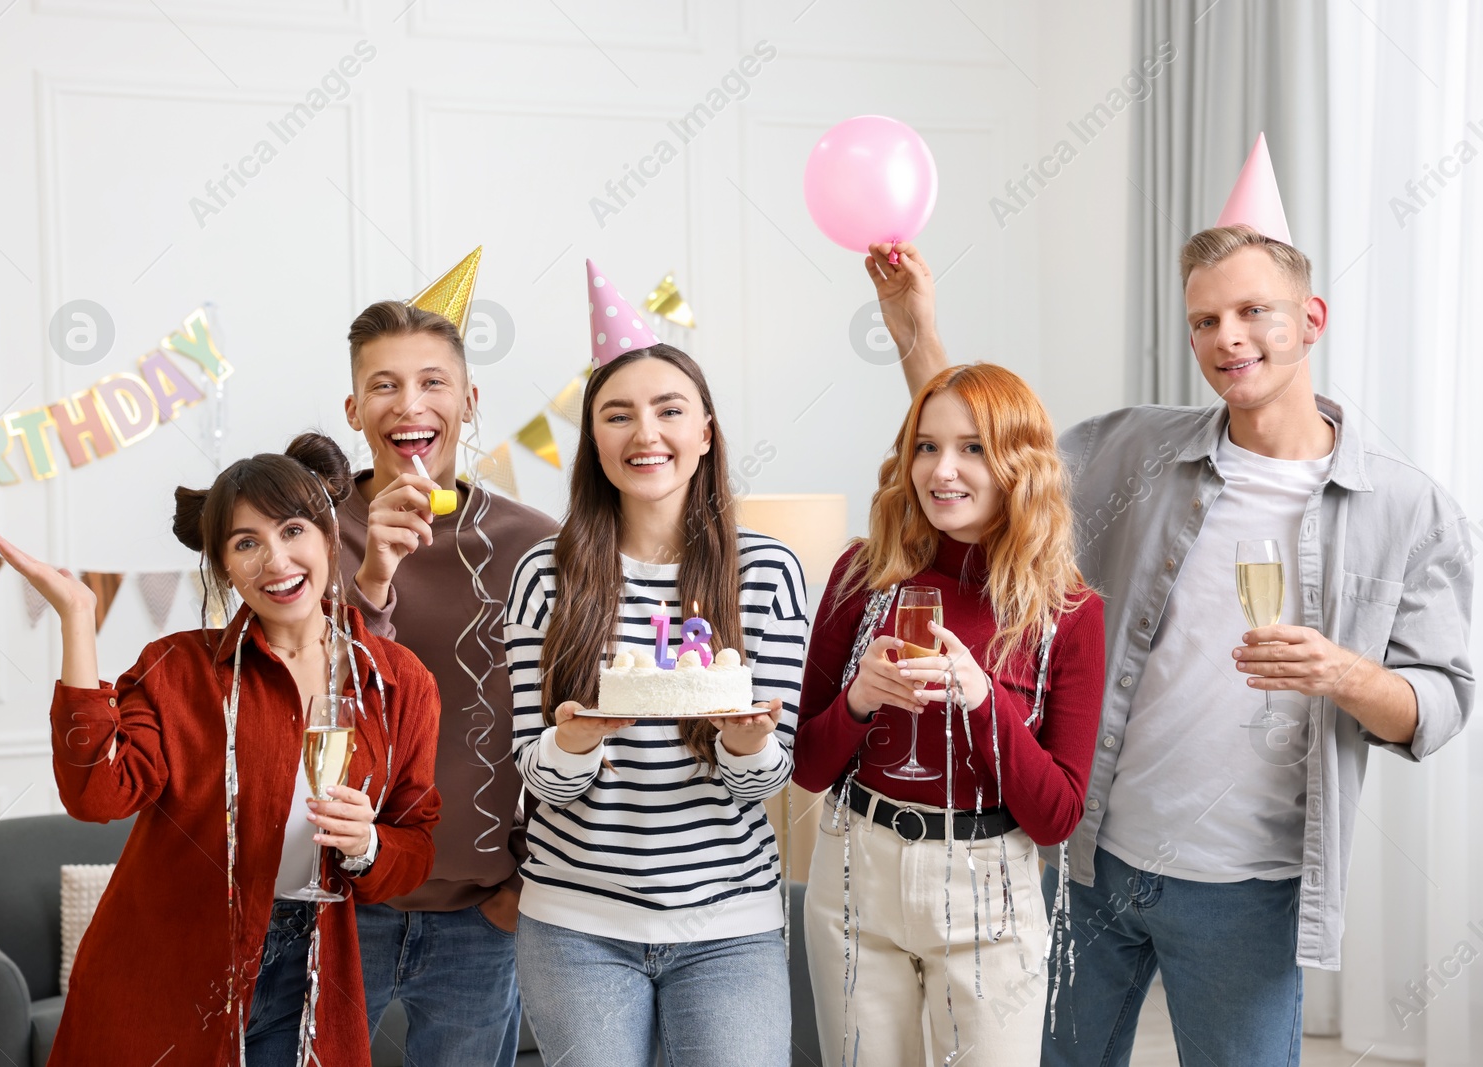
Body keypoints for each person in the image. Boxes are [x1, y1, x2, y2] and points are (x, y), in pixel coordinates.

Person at [869, 137, 1475, 1066]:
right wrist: (918, 333)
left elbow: (1440, 704)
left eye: (1252, 312)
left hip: (1250, 888)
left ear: (1310, 318)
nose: (1227, 337)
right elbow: (976, 464)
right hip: (1092, 861)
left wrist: (1345, 673)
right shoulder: (1131, 452)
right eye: (1204, 321)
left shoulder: (1406, 504)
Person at [0, 432, 442, 1066]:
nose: (275, 561)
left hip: (308, 966)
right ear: (223, 565)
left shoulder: (399, 683)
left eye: (292, 531)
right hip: (166, 964)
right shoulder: (177, 669)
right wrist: (78, 622)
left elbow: (414, 844)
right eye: (246, 543)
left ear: (330, 535)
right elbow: (95, 796)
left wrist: (367, 847)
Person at [503, 262, 808, 1067]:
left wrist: (747, 742)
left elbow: (775, 775)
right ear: (592, 438)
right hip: (576, 924)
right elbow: (533, 771)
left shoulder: (767, 571)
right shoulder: (544, 572)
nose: (646, 434)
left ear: (705, 430)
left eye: (669, 410)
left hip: (730, 926)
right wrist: (576, 741)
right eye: (617, 414)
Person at [794, 362, 1105, 1066]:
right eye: (926, 446)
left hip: (989, 889)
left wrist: (983, 699)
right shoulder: (858, 576)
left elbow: (1056, 814)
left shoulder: (1069, 613)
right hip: (854, 872)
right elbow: (808, 768)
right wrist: (857, 701)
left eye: (971, 447)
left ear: (1018, 463)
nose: (942, 470)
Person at [339, 262, 559, 1064]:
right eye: (384, 384)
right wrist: (372, 580)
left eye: (434, 381)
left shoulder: (535, 540)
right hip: (333, 906)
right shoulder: (308, 533)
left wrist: (526, 882)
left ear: (468, 403)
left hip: (480, 914)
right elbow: (287, 703)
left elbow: (573, 713)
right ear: (355, 408)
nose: (409, 403)